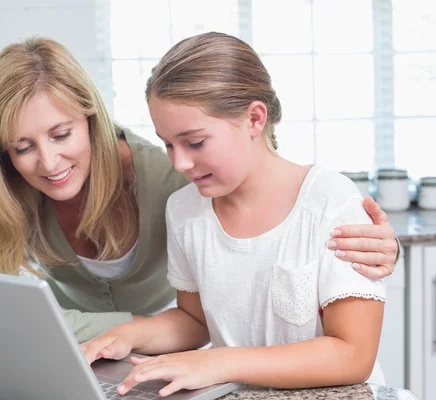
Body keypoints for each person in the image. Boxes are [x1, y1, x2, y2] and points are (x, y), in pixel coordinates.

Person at [0, 36, 400, 344]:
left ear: (91, 120)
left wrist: (372, 237)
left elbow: (266, 179)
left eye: (61, 134)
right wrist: (122, 335)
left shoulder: (174, 177)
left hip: (185, 351)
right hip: (130, 356)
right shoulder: (186, 201)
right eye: (22, 148)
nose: (47, 162)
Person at [81, 32, 389, 396]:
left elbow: (352, 355)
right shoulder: (184, 211)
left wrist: (219, 361)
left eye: (194, 142)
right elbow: (195, 321)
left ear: (254, 120)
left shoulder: (330, 202)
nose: (179, 162)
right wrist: (126, 335)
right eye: (168, 143)